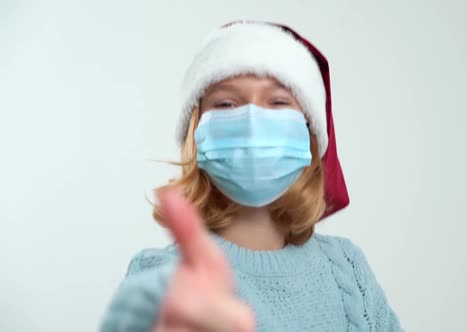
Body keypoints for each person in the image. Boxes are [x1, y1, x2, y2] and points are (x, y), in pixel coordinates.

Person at [100, 21, 404, 332]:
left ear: (310, 135)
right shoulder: (162, 277)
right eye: (227, 103)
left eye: (278, 102)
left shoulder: (347, 269)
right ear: (197, 132)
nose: (253, 122)